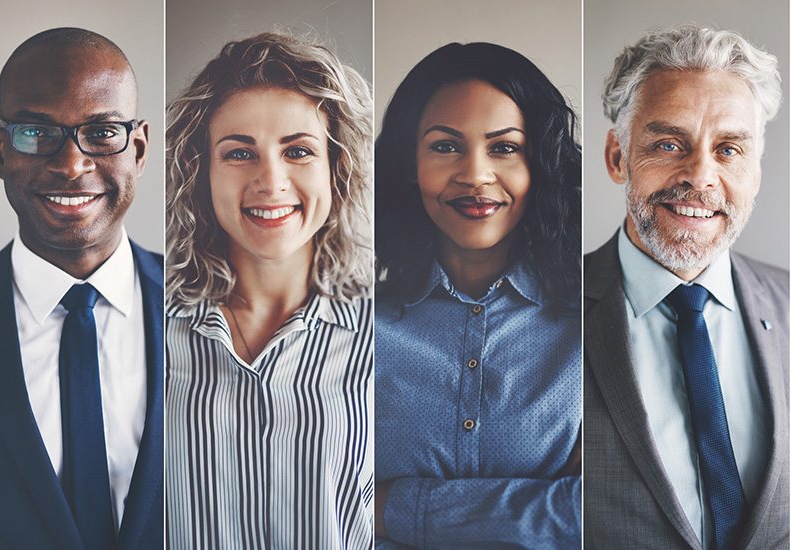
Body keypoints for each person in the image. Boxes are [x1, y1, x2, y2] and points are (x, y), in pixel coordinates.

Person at [164, 31, 374, 549]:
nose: (271, 181)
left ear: (336, 169)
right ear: (201, 173)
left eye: (298, 150)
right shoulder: (143, 331)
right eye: (239, 154)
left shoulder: (389, 334)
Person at [0, 27, 162, 549]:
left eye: (101, 133)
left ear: (138, 148)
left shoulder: (210, 306)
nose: (72, 165)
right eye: (35, 132)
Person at [584, 24, 788, 549]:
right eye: (670, 143)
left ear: (756, 173)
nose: (700, 176)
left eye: (728, 150)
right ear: (617, 156)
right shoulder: (548, 310)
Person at [372, 42, 583, 549]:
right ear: (409, 163)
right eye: (445, 146)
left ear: (540, 162)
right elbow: (323, 499)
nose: (475, 175)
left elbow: (586, 514)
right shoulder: (355, 327)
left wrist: (391, 508)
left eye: (504, 147)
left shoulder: (593, 323)